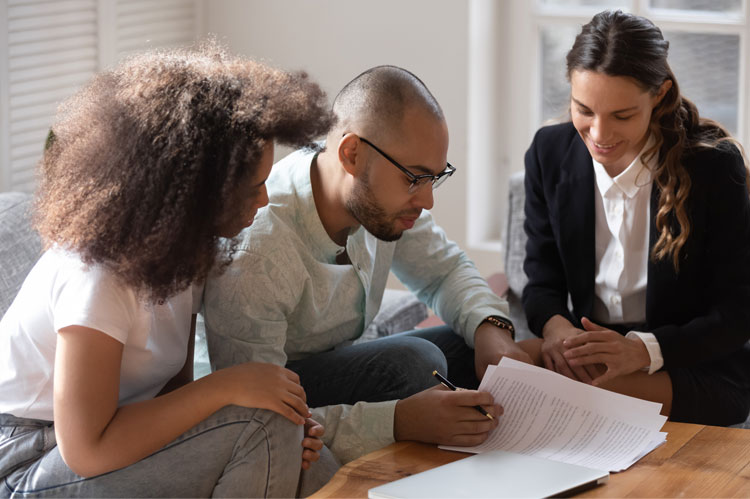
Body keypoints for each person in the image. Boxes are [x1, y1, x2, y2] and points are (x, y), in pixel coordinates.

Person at [0, 42, 335, 497]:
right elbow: (86, 449)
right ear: (194, 189)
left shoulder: (181, 253)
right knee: (261, 428)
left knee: (297, 447)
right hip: (29, 461)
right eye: (252, 187)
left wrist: (267, 422)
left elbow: (171, 395)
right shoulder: (97, 275)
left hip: (99, 449)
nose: (264, 200)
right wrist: (226, 389)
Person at [203, 65, 540, 464]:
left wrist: (492, 328)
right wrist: (397, 422)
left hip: (335, 365)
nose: (427, 200)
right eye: (415, 178)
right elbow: (255, 421)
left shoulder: (380, 203)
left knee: (473, 348)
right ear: (352, 155)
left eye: (436, 177)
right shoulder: (257, 254)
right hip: (272, 391)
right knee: (420, 366)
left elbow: (445, 271)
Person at [522, 10, 750, 426]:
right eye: (584, 110)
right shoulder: (547, 152)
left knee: (573, 393)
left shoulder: (714, 167)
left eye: (622, 116)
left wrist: (645, 350)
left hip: (690, 360)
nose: (599, 135)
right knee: (504, 362)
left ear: (659, 96)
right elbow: (540, 283)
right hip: (594, 352)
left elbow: (737, 315)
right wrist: (557, 330)